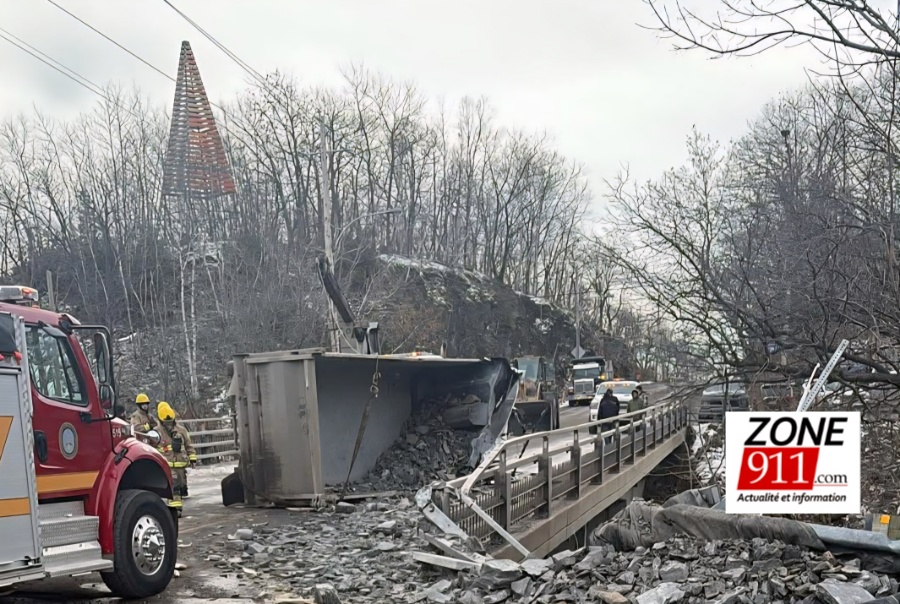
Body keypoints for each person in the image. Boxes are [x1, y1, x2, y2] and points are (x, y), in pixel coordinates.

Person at [155, 401, 197, 498]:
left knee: (182, 488)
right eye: (166, 423)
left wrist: (192, 458)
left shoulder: (181, 430)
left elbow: (188, 445)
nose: (168, 424)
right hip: (167, 464)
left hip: (181, 463)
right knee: (174, 488)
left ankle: (181, 489)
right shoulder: (156, 432)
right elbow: (151, 448)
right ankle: (175, 501)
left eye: (170, 422)